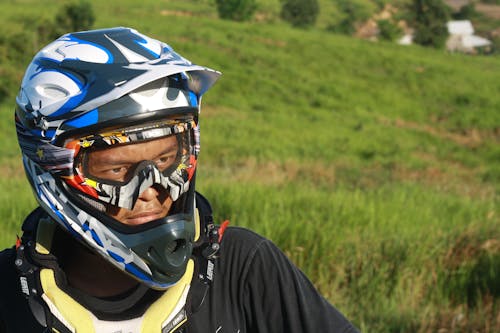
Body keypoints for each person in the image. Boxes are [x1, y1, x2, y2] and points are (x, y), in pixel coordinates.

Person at [0, 27, 359, 333]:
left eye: (166, 159)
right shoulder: (6, 296)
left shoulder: (244, 267)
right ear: (51, 165)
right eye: (116, 170)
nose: (152, 190)